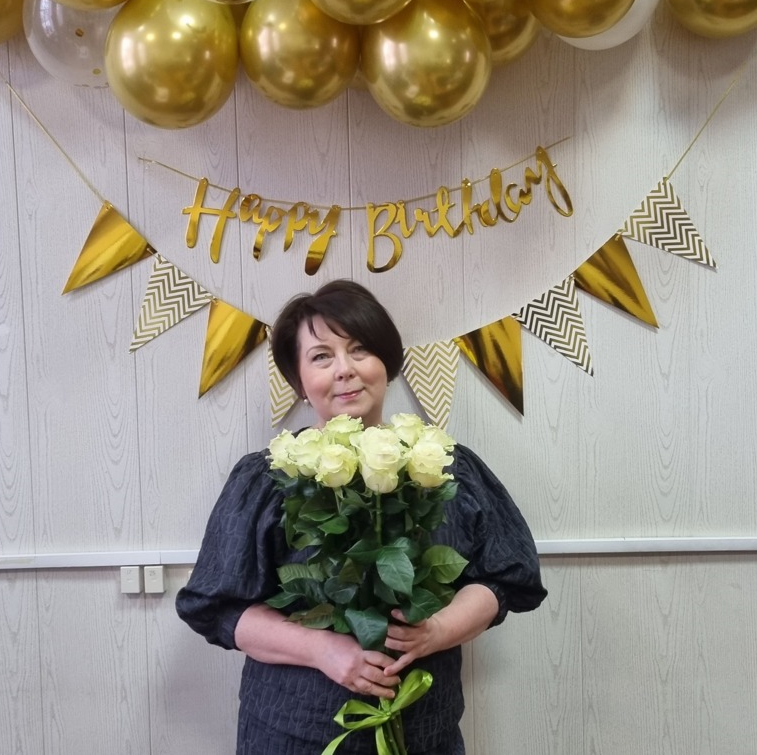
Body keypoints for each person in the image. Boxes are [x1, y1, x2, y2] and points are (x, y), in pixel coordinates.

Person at [176, 279, 547, 755]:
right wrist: (322, 651)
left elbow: (503, 576)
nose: (344, 369)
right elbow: (216, 606)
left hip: (424, 733)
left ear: (386, 364)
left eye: (359, 349)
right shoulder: (267, 478)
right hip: (294, 734)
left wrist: (437, 630)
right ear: (300, 382)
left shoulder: (443, 465)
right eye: (321, 356)